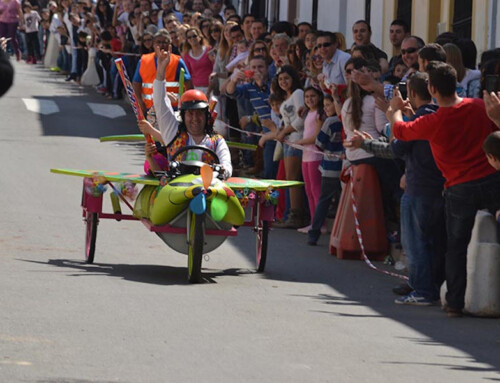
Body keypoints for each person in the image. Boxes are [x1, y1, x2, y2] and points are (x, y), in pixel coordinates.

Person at [387, 61, 500, 317]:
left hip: (459, 187)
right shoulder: (479, 107)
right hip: (492, 180)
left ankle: (454, 303)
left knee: (456, 246)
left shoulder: (433, 121)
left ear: (433, 89)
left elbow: (400, 131)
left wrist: (395, 110)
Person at [140, 44, 232, 178]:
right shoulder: (172, 133)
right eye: (190, 113)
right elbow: (160, 103)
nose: (195, 118)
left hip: (208, 190)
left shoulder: (218, 141)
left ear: (206, 116)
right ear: (183, 115)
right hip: (176, 192)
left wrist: (222, 171)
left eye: (199, 113)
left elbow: (227, 166)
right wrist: (161, 71)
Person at [307, 93, 344, 246]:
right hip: (346, 166)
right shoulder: (347, 120)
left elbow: (319, 143)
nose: (326, 108)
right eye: (325, 105)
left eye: (329, 104)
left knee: (324, 200)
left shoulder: (330, 121)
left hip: (330, 167)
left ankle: (314, 234)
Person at [273, 65, 306, 229]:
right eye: (280, 79)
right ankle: (290, 213)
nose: (283, 82)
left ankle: (296, 215)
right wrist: (281, 130)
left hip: (296, 140)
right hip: (287, 141)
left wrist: (284, 131)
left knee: (293, 179)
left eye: (286, 78)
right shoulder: (286, 99)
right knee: (289, 179)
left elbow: (301, 120)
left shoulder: (298, 94)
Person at [132, 29, 192, 116]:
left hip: (172, 109)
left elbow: (188, 83)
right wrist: (139, 101)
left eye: (165, 42)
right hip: (150, 108)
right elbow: (136, 83)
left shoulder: (177, 61)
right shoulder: (143, 60)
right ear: (153, 44)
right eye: (158, 42)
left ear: (170, 44)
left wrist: (186, 104)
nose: (161, 45)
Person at [293, 86, 324, 234]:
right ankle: (313, 222)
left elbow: (316, 138)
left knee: (316, 190)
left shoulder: (319, 114)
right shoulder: (308, 113)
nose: (309, 99)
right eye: (307, 97)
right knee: (309, 191)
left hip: (315, 155)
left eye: (313, 96)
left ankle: (319, 224)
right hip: (306, 156)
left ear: (319, 97)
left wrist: (299, 142)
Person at [182, 26, 213, 94]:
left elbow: (214, 70)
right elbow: (188, 75)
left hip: (212, 89)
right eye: (189, 37)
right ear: (187, 40)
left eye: (194, 36)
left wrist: (209, 91)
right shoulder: (187, 56)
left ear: (200, 36)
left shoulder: (209, 50)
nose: (192, 38)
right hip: (197, 90)